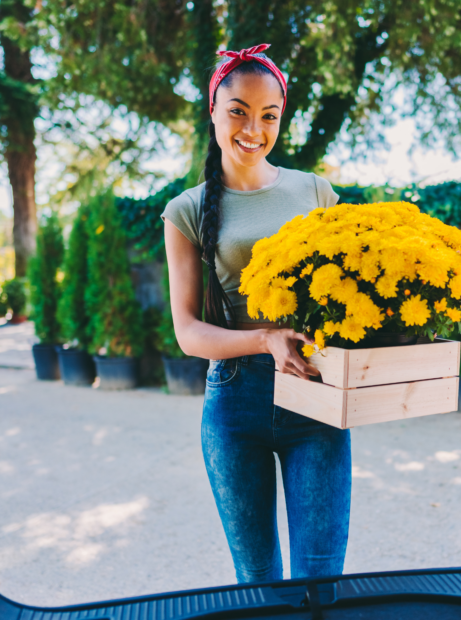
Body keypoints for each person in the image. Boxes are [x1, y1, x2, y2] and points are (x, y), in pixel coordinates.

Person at [162, 44, 350, 584]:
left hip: (314, 397)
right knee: (258, 580)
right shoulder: (186, 210)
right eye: (238, 110)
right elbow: (188, 333)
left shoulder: (314, 191)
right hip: (235, 404)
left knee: (321, 580)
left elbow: (347, 294)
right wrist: (266, 339)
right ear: (214, 113)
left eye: (269, 115)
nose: (253, 128)